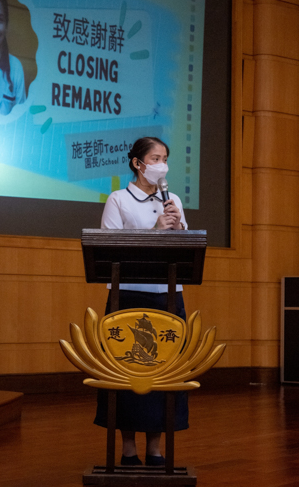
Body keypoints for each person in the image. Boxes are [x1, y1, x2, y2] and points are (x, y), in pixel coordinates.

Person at [94, 136, 189, 467]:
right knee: (128, 371)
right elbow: (111, 249)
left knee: (164, 373)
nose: (161, 164)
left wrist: (176, 229)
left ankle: (156, 447)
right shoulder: (118, 199)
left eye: (165, 157)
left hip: (168, 296)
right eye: (155, 157)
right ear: (137, 163)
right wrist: (154, 228)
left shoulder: (172, 198)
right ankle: (128, 447)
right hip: (128, 297)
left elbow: (188, 249)